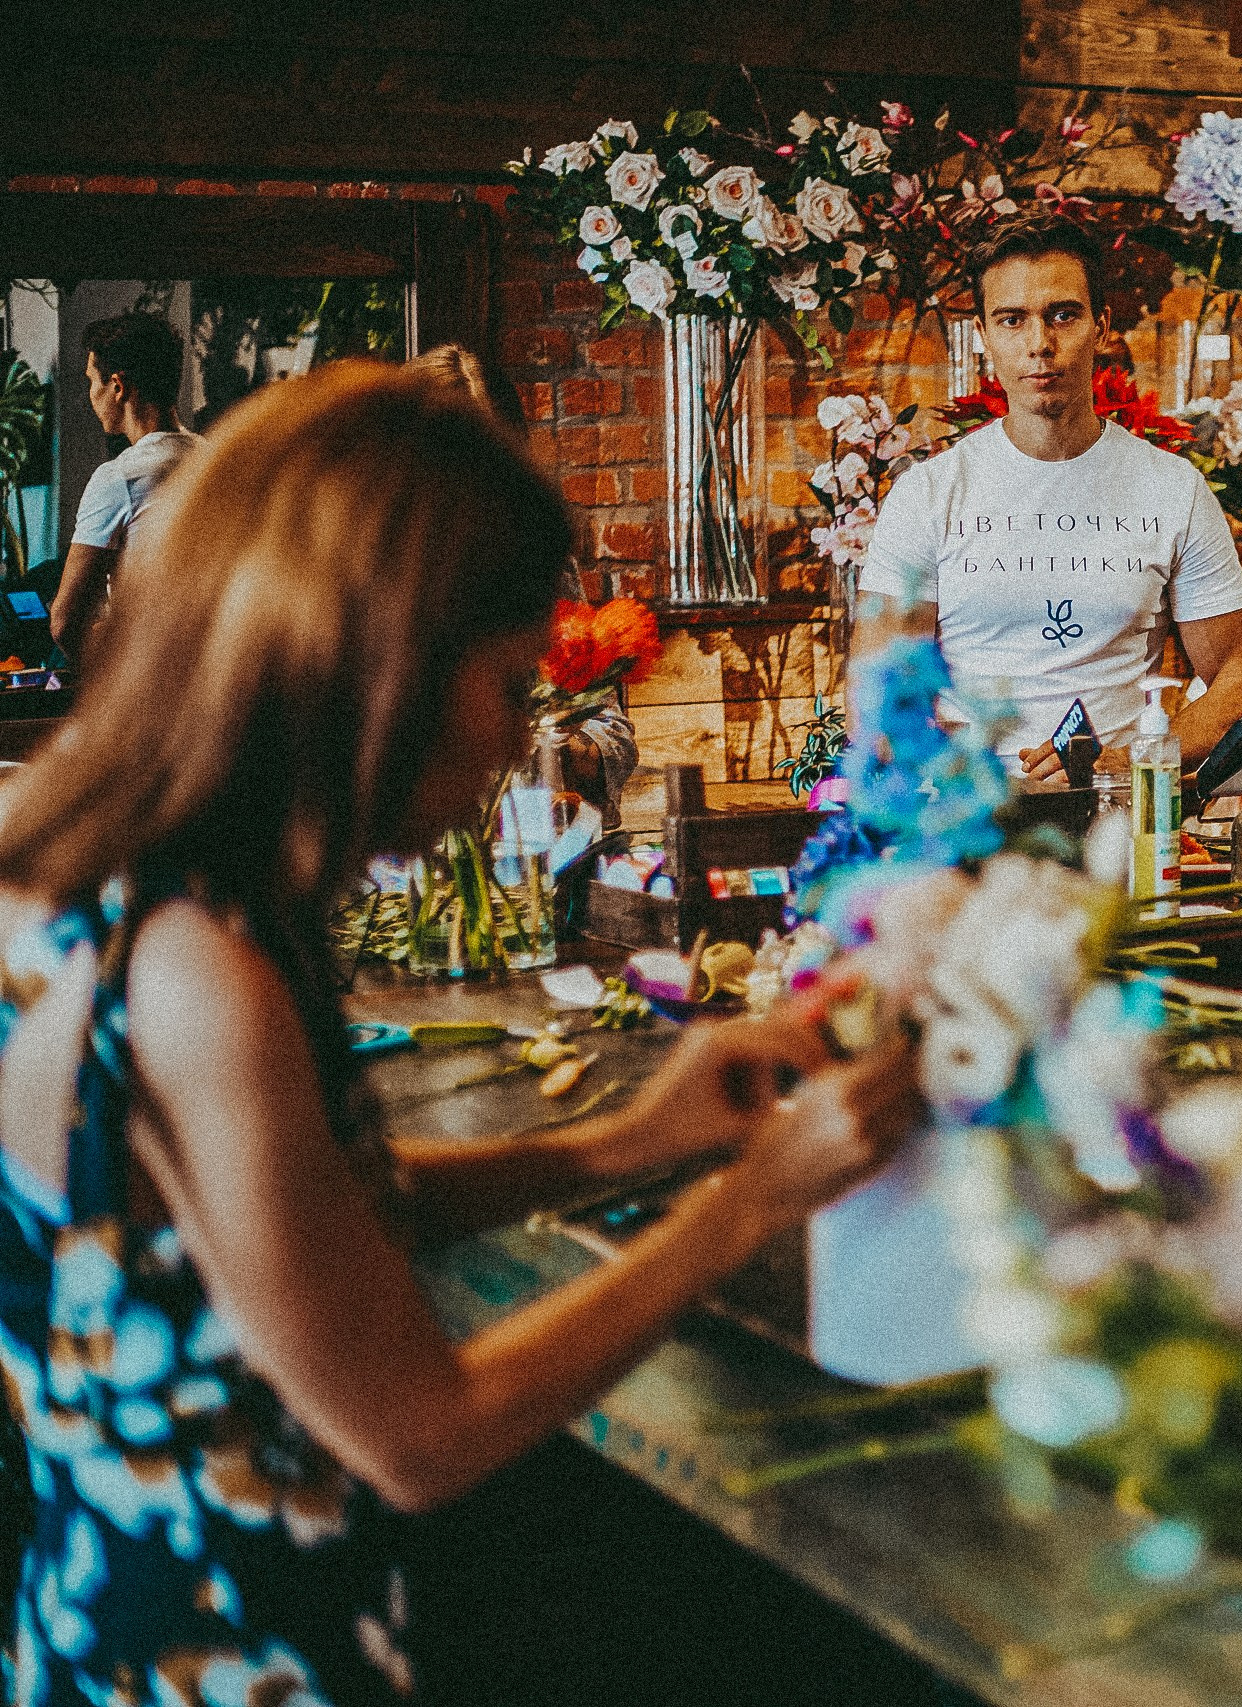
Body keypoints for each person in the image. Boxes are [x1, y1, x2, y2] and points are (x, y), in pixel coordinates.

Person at [0, 361, 916, 1704]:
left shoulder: (79, 880)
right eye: (504, 681)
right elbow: (418, 1433)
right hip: (240, 1652)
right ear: (374, 664)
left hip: (95, 1619)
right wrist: (746, 1200)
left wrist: (625, 1142)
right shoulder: (204, 973)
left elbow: (295, 1224)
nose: (510, 738)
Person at [859, 217, 1242, 778]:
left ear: (1100, 326)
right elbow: (880, 702)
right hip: (971, 819)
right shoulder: (927, 496)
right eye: (1012, 320)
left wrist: (1129, 764)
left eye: (1063, 315)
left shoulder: (1172, 488)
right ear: (983, 335)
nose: (1040, 344)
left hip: (1122, 813)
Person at [407, 342, 638, 828]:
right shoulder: (362, 582)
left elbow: (611, 732)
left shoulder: (540, 566)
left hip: (530, 850)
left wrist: (567, 750)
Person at [56, 312, 198, 659]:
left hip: (154, 678)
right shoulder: (217, 458)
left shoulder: (120, 477)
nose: (91, 393)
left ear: (117, 387)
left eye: (93, 381)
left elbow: (65, 621)